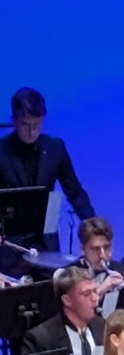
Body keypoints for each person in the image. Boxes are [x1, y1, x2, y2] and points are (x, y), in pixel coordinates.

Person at [0, 87, 95, 252]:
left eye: (36, 124)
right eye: (25, 124)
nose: (32, 131)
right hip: (10, 244)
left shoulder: (55, 148)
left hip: (46, 241)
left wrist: (92, 224)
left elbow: (74, 191)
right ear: (13, 120)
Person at [68, 217, 124, 300]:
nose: (102, 255)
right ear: (82, 249)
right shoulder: (67, 276)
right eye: (95, 249)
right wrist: (101, 290)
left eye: (106, 247)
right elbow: (73, 309)